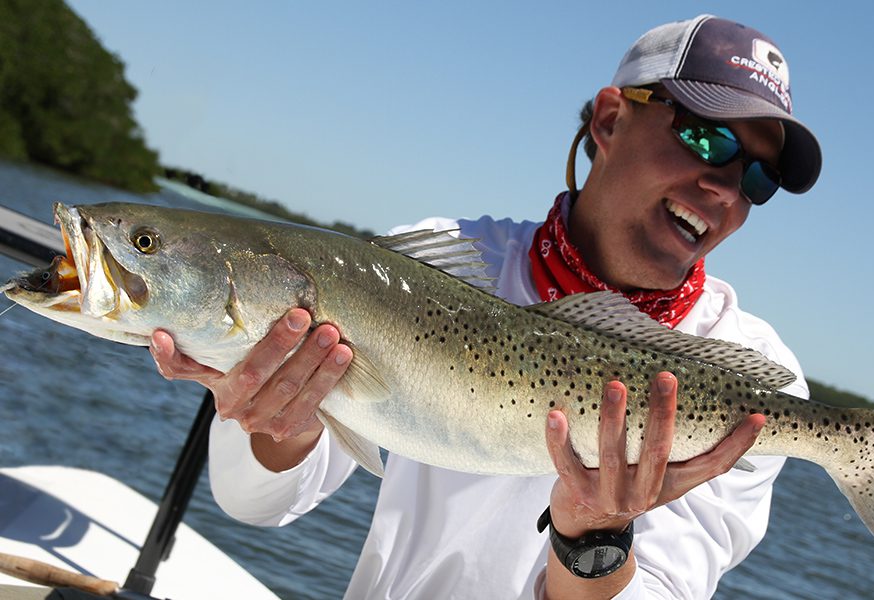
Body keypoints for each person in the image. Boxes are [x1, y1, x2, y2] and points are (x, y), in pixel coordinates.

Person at [150, 14, 820, 599]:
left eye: (759, 178)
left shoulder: (758, 381)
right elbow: (256, 505)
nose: (724, 186)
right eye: (708, 138)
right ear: (611, 119)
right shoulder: (436, 262)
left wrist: (592, 538)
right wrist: (279, 422)